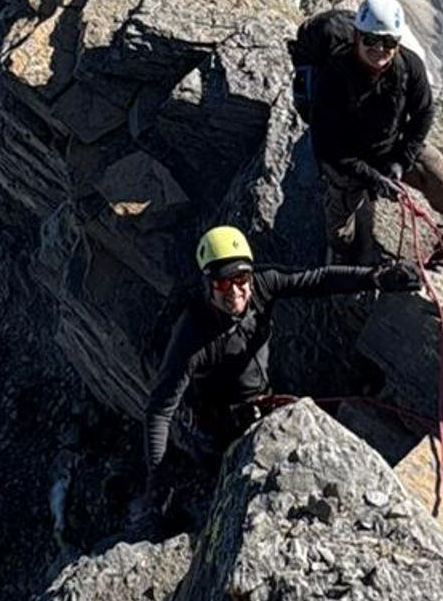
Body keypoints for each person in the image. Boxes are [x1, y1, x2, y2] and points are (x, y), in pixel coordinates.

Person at [138, 222, 418, 526]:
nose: (234, 290)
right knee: (233, 483)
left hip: (262, 398)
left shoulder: (263, 284)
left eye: (240, 278)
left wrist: (377, 277)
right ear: (208, 284)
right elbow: (160, 410)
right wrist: (157, 481)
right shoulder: (192, 336)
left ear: (249, 273)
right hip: (219, 427)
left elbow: (317, 280)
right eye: (222, 283)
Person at [291, 0, 443, 265]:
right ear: (358, 37)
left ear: (398, 43)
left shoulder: (410, 67)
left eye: (388, 42)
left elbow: (423, 114)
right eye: (371, 40)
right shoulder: (333, 76)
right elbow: (329, 146)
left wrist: (401, 161)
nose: (380, 49)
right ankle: (342, 256)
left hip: (394, 146)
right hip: (348, 158)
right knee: (340, 224)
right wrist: (373, 178)